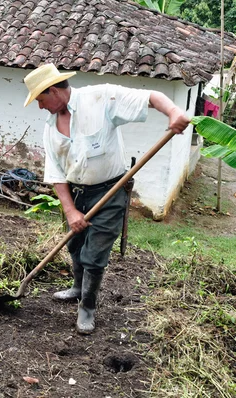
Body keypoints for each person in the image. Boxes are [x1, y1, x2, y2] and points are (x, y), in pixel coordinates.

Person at [23, 64, 190, 334]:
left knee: (95, 253)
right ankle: (78, 288)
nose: (40, 107)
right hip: (76, 194)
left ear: (53, 91)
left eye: (41, 100)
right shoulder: (50, 127)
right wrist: (70, 212)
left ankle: (87, 307)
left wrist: (173, 112)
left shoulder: (100, 98)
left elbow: (150, 98)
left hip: (109, 191)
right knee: (75, 245)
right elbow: (55, 172)